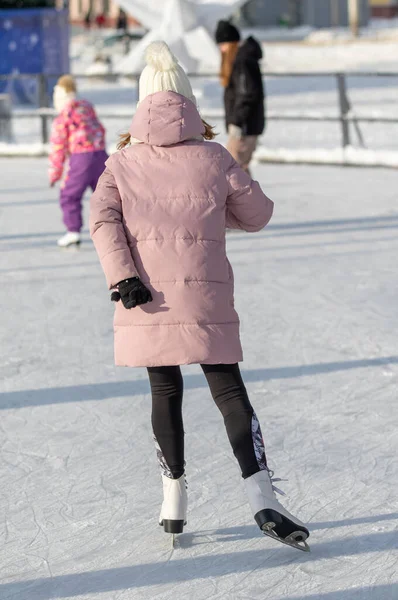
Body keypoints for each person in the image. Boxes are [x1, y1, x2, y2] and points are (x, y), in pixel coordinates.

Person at [90, 42, 309, 551]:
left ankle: (173, 500)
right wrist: (215, 206)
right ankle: (261, 498)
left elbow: (101, 221)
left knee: (164, 392)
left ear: (142, 104)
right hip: (204, 299)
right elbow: (258, 214)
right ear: (188, 99)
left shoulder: (120, 163)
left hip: (144, 297)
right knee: (229, 392)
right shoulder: (214, 157)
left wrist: (123, 278)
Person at [49, 75, 108, 248]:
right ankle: (119, 229)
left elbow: (58, 148)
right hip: (100, 155)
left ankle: (73, 232)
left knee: (69, 195)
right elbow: (100, 128)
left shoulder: (62, 118)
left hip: (81, 159)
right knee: (106, 195)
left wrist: (55, 173)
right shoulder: (87, 106)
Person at [215, 20, 265, 175]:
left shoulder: (242, 61)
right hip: (244, 126)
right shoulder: (242, 59)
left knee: (234, 171)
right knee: (238, 170)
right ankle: (248, 199)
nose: (221, 50)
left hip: (244, 127)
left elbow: (247, 94)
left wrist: (237, 122)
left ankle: (247, 200)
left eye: (223, 45)